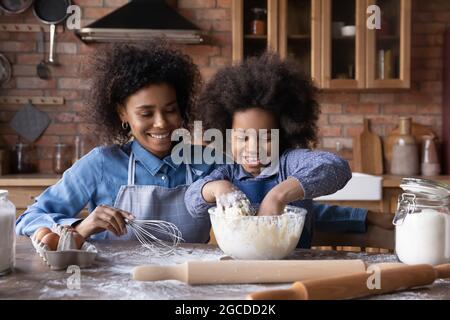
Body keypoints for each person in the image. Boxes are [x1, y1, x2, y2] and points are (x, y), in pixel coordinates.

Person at [185, 52, 393, 248]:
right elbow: (192, 202)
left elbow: (336, 167)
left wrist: (277, 196)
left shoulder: (288, 163)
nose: (253, 148)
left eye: (266, 137)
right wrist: (218, 189)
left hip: (297, 267)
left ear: (284, 133)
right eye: (243, 137)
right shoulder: (227, 172)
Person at [16, 41, 214, 242]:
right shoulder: (100, 163)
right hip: (116, 275)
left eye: (170, 110)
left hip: (189, 274)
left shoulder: (207, 163)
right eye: (146, 113)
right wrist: (80, 227)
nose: (161, 123)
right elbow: (28, 218)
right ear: (122, 113)